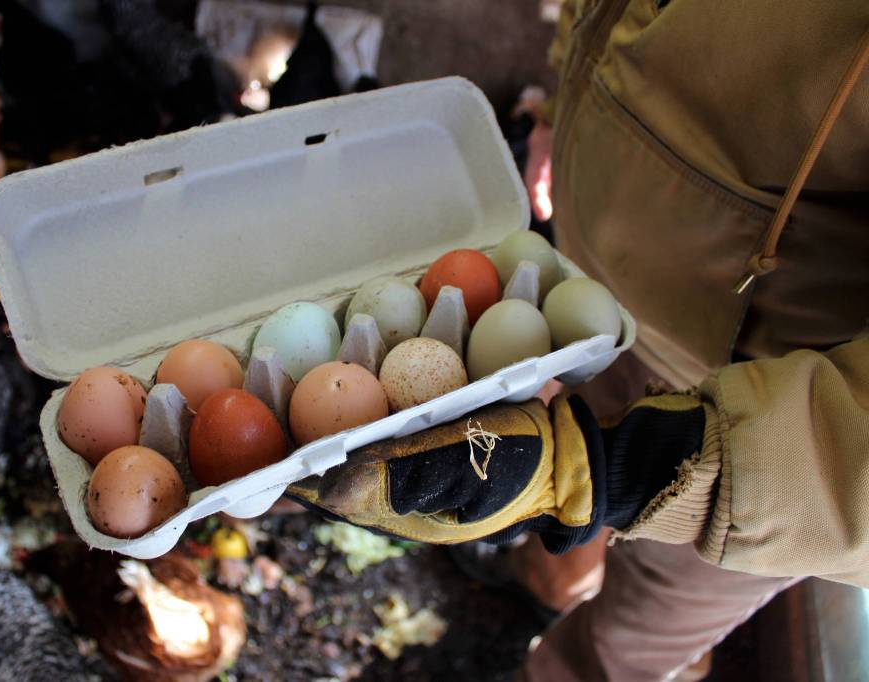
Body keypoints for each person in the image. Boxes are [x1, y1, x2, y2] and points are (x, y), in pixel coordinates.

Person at [290, 2, 869, 679]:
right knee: (560, 482)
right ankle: (545, 582)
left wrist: (627, 469)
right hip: (600, 312)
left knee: (633, 633)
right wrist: (562, 102)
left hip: (765, 410)